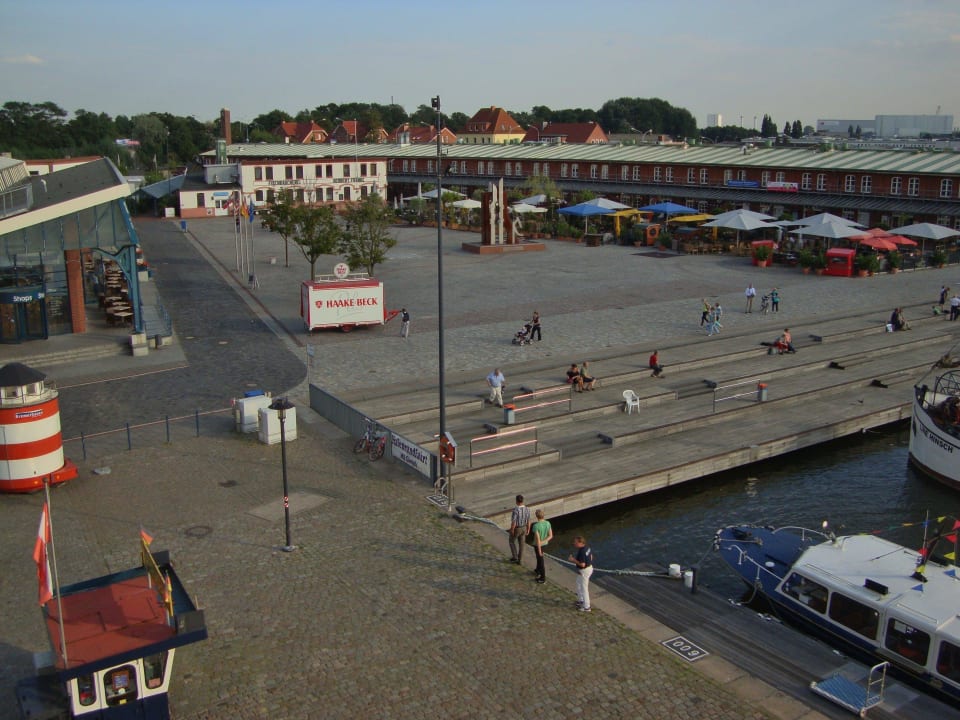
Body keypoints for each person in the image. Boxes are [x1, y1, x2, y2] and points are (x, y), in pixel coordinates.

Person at [569, 536, 594, 612]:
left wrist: (573, 560)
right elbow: (591, 556)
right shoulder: (587, 548)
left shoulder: (582, 552)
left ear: (580, 543)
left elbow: (582, 564)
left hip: (584, 571)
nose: (574, 543)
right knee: (578, 583)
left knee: (584, 589)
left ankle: (587, 607)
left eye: (576, 542)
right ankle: (581, 600)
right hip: (588, 568)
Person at [530, 509, 553, 584]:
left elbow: (537, 539)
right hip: (545, 544)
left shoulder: (536, 526)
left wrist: (539, 549)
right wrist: (544, 541)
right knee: (539, 558)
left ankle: (542, 578)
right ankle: (537, 570)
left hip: (538, 545)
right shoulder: (548, 523)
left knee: (540, 560)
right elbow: (550, 536)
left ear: (537, 516)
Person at [508, 495, 531, 564]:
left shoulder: (516, 510)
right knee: (522, 544)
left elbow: (514, 521)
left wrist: (512, 529)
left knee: (511, 541)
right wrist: (528, 529)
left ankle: (515, 557)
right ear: (522, 500)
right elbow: (529, 520)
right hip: (524, 527)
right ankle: (520, 560)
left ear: (516, 501)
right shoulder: (527, 509)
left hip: (517, 528)